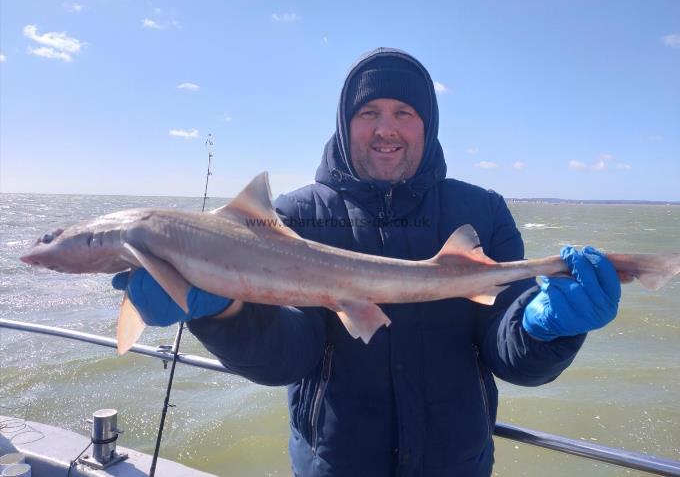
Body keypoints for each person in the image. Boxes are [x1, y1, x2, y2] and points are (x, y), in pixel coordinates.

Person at [112, 48, 620, 476]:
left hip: (458, 463)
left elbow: (511, 356)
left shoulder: (480, 210)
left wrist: (547, 328)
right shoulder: (291, 218)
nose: (386, 129)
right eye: (368, 113)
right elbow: (289, 356)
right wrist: (222, 314)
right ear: (345, 122)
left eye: (404, 112)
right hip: (335, 463)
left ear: (428, 124)